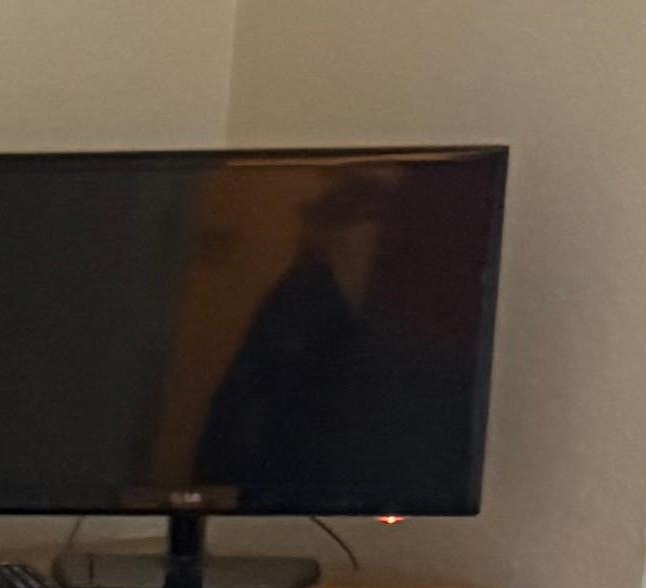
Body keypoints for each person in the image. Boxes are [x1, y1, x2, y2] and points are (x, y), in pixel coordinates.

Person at [186, 176, 469, 511]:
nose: (366, 245)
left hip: (369, 492)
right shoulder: (299, 304)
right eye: (355, 227)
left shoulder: (415, 309)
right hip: (287, 492)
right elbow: (247, 401)